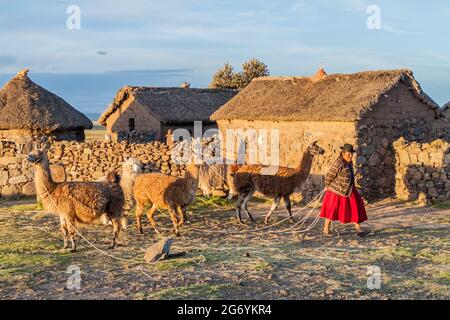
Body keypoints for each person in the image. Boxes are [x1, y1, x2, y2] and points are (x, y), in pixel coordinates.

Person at [320, 144, 370, 237]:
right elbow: (329, 176)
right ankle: (326, 230)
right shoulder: (339, 163)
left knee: (356, 208)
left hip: (349, 190)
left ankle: (359, 230)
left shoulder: (349, 163)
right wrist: (328, 186)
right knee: (332, 210)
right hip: (337, 191)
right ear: (343, 153)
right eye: (348, 154)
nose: (350, 156)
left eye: (351, 154)